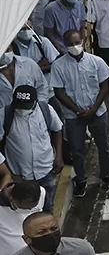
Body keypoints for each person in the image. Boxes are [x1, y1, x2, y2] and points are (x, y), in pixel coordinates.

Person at [51, 29, 109, 199]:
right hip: (74, 116)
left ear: (82, 41)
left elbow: (104, 86)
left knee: (104, 147)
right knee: (77, 150)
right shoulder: (58, 66)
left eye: (77, 42)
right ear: (65, 45)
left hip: (98, 112)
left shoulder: (96, 62)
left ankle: (107, 175)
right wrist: (77, 110)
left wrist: (94, 109)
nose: (75, 46)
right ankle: (80, 180)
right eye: (70, 44)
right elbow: (59, 92)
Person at [0, 85, 63, 214]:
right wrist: (8, 172)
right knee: (25, 211)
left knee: (47, 206)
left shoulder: (46, 110)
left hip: (46, 171)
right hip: (20, 176)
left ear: (34, 102)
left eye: (26, 105)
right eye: (19, 105)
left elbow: (57, 130)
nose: (22, 109)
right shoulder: (5, 115)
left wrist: (59, 157)